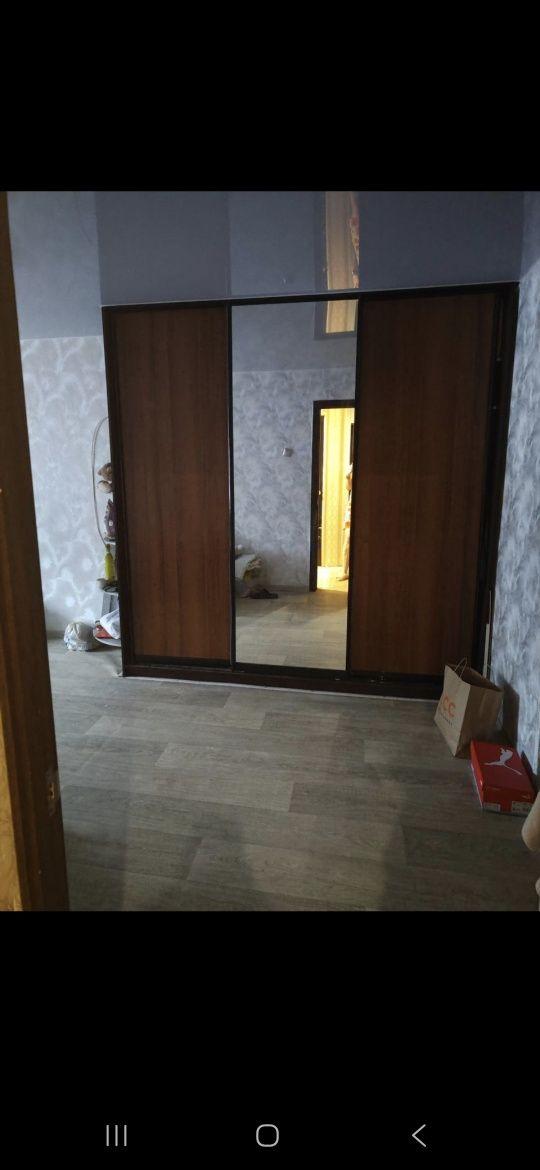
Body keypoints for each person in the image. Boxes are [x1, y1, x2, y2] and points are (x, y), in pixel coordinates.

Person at [338, 464, 353, 581]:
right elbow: (348, 488)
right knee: (347, 541)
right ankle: (344, 571)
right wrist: (347, 476)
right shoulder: (352, 467)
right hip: (351, 509)